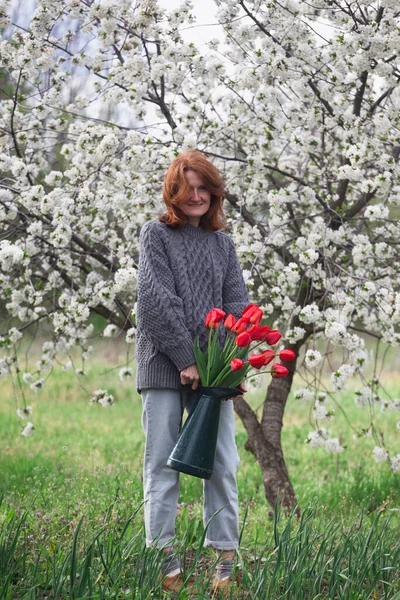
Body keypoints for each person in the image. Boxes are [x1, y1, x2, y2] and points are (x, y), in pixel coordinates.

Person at [135, 150, 249, 595]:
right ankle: (164, 562)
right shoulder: (156, 235)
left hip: (213, 372)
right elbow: (155, 303)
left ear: (214, 193)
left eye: (205, 188)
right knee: (163, 463)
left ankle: (224, 561)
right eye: (188, 188)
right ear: (174, 193)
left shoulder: (223, 244)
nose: (196, 196)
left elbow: (237, 305)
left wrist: (228, 363)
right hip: (165, 366)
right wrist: (185, 358)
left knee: (222, 463)